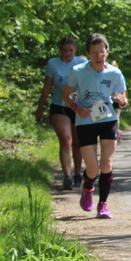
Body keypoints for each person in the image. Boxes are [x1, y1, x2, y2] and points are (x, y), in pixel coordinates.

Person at [63, 33, 128, 220]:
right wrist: (77, 108)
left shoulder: (115, 73)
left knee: (106, 163)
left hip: (108, 120)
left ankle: (103, 205)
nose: (99, 57)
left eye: (102, 52)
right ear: (88, 54)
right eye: (94, 53)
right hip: (85, 122)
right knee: (92, 169)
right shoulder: (78, 71)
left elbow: (123, 99)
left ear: (107, 52)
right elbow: (66, 96)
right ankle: (88, 186)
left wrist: (121, 100)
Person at [34, 35, 88, 190]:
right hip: (59, 106)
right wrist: (40, 107)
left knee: (77, 143)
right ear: (60, 50)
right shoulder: (53, 64)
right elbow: (47, 87)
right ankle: (67, 176)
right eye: (64, 51)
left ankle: (78, 173)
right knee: (65, 140)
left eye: (70, 50)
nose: (67, 54)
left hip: (78, 107)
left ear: (75, 50)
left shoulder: (82, 63)